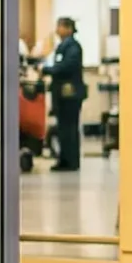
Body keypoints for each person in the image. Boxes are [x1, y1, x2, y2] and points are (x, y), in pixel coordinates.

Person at [45, 16, 87, 172]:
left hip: (70, 94)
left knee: (69, 127)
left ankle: (71, 161)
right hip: (62, 93)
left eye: (60, 27)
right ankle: (64, 159)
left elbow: (66, 66)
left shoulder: (73, 47)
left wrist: (47, 70)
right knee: (63, 128)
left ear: (68, 29)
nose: (57, 30)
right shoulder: (63, 46)